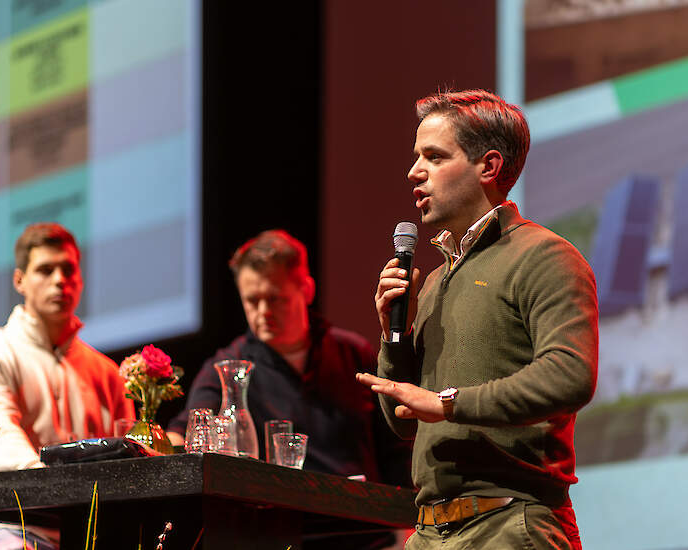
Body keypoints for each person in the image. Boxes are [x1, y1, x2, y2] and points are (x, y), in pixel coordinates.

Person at [358, 89, 598, 550]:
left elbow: (570, 376)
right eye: (416, 157)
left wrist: (447, 403)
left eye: (433, 156)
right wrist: (393, 335)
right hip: (427, 532)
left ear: (487, 167)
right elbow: (403, 420)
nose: (414, 171)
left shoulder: (544, 257)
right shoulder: (433, 281)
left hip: (509, 524)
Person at [168, 229, 411, 548]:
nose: (263, 312)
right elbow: (187, 431)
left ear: (306, 290)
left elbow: (395, 449)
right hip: (282, 540)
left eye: (275, 298)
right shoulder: (228, 366)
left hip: (364, 538)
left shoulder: (354, 353)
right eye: (252, 301)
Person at [0, 223, 135, 550]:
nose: (59, 280)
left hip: (88, 534)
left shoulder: (108, 373)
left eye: (68, 269)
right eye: (45, 270)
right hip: (5, 526)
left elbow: (128, 457)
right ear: (19, 280)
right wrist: (61, 491)